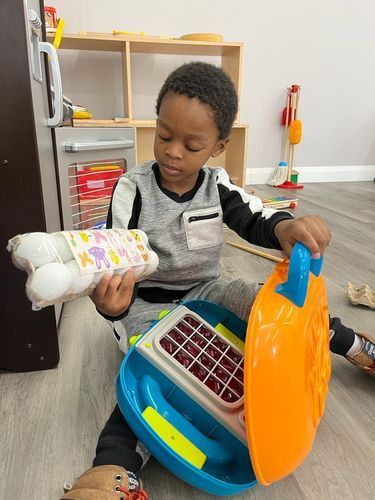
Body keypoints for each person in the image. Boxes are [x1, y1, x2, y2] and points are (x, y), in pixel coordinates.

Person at [61, 62, 375, 500]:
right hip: (147, 304)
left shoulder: (218, 184)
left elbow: (255, 215)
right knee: (155, 374)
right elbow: (114, 262)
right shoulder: (131, 189)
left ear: (218, 146)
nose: (173, 153)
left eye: (192, 145)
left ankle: (354, 345)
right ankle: (113, 469)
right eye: (165, 136)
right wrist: (112, 307)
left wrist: (284, 228)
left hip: (207, 290)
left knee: (272, 307)